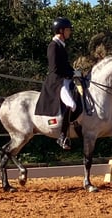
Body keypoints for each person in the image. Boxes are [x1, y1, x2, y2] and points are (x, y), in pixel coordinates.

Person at [35, 17, 81, 150]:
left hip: (65, 79)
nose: (69, 32)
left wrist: (76, 72)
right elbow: (55, 68)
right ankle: (62, 136)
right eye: (68, 30)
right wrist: (71, 74)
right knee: (71, 104)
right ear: (61, 30)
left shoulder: (61, 45)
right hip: (57, 82)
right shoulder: (53, 46)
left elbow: (65, 65)